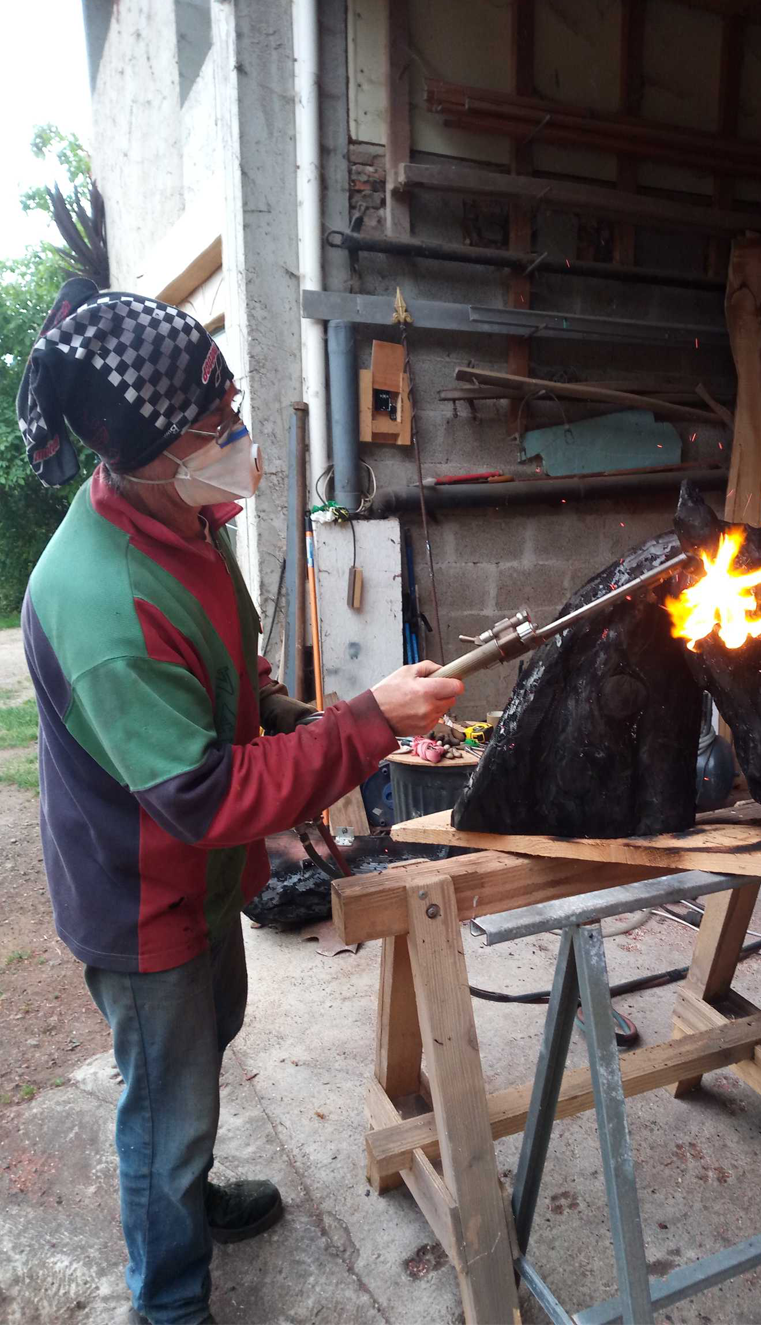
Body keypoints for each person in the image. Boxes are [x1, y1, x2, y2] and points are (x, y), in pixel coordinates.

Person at [15, 279, 464, 1325]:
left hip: (199, 874)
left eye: (232, 411)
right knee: (162, 1108)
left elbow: (233, 676)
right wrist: (365, 727)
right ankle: (168, 1300)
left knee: (209, 1038)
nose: (238, 437)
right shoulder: (102, 602)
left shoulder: (186, 516)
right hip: (140, 894)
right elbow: (205, 794)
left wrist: (318, 717)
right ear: (148, 449)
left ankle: (189, 1188)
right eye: (216, 423)